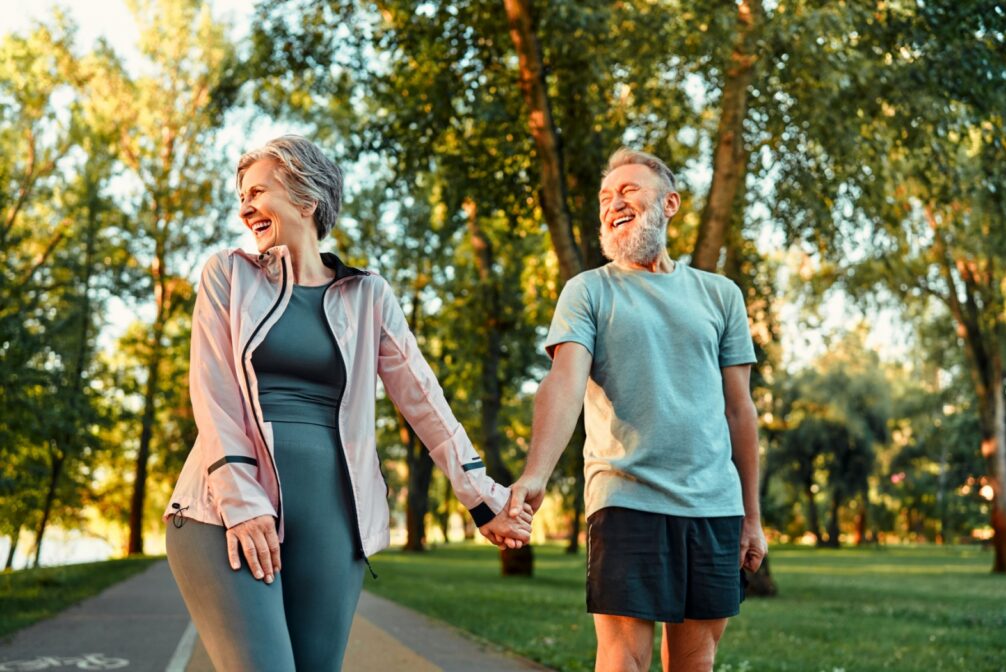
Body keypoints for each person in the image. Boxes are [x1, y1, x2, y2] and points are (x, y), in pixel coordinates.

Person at [163, 135, 531, 672]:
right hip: (223, 512)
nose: (244, 208)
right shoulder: (229, 275)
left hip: (333, 523)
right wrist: (242, 503)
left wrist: (482, 497)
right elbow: (213, 393)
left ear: (306, 200)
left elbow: (424, 400)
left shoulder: (368, 295)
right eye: (241, 196)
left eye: (258, 191)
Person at [508, 148, 767, 672]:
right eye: (606, 197)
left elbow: (740, 412)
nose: (614, 203)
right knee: (624, 658)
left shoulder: (720, 295)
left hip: (713, 506)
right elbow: (564, 383)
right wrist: (536, 473)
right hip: (627, 497)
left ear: (670, 203)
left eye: (628, 190)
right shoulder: (588, 291)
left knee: (697, 661)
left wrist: (752, 518)